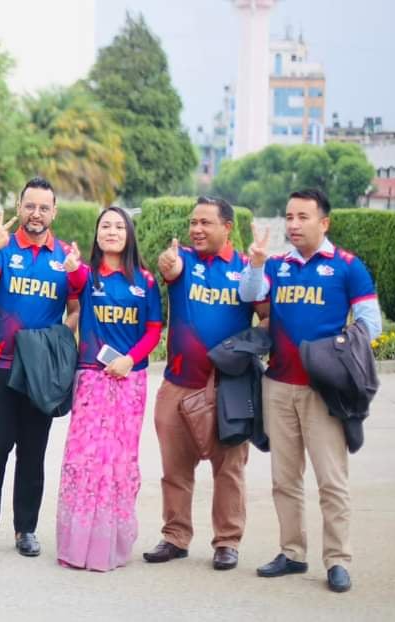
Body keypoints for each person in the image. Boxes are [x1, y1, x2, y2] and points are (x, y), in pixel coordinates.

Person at [239, 189, 382, 593]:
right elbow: (249, 295)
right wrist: (256, 262)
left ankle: (337, 560)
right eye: (289, 217)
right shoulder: (279, 266)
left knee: (331, 480)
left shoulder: (347, 267)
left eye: (303, 217)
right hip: (279, 385)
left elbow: (371, 324)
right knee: (285, 479)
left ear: (324, 222)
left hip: (323, 391)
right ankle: (292, 552)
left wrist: (335, 354)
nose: (293, 225)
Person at [143, 196, 263, 571]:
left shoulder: (246, 269)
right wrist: (169, 262)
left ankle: (227, 541)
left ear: (227, 227)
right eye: (193, 222)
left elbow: (268, 317)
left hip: (227, 388)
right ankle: (175, 537)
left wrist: (244, 356)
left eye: (205, 223)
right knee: (175, 469)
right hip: (177, 384)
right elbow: (170, 266)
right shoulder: (184, 262)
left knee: (229, 468)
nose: (196, 229)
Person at [0, 178, 80, 557]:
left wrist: (55, 343)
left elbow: (77, 308)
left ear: (54, 212)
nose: (36, 214)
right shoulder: (3, 248)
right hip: (0, 365)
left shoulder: (64, 257)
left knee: (33, 454)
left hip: (40, 373)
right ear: (19, 208)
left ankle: (26, 530)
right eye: (29, 206)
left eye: (43, 208)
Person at [56, 206, 162, 572]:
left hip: (129, 383)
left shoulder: (145, 282)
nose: (112, 231)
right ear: (97, 235)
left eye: (119, 226)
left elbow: (152, 330)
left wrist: (130, 360)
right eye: (106, 226)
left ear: (129, 234)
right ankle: (76, 544)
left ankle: (110, 546)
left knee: (118, 463)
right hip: (91, 378)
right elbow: (72, 282)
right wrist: (71, 266)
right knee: (83, 462)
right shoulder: (88, 278)